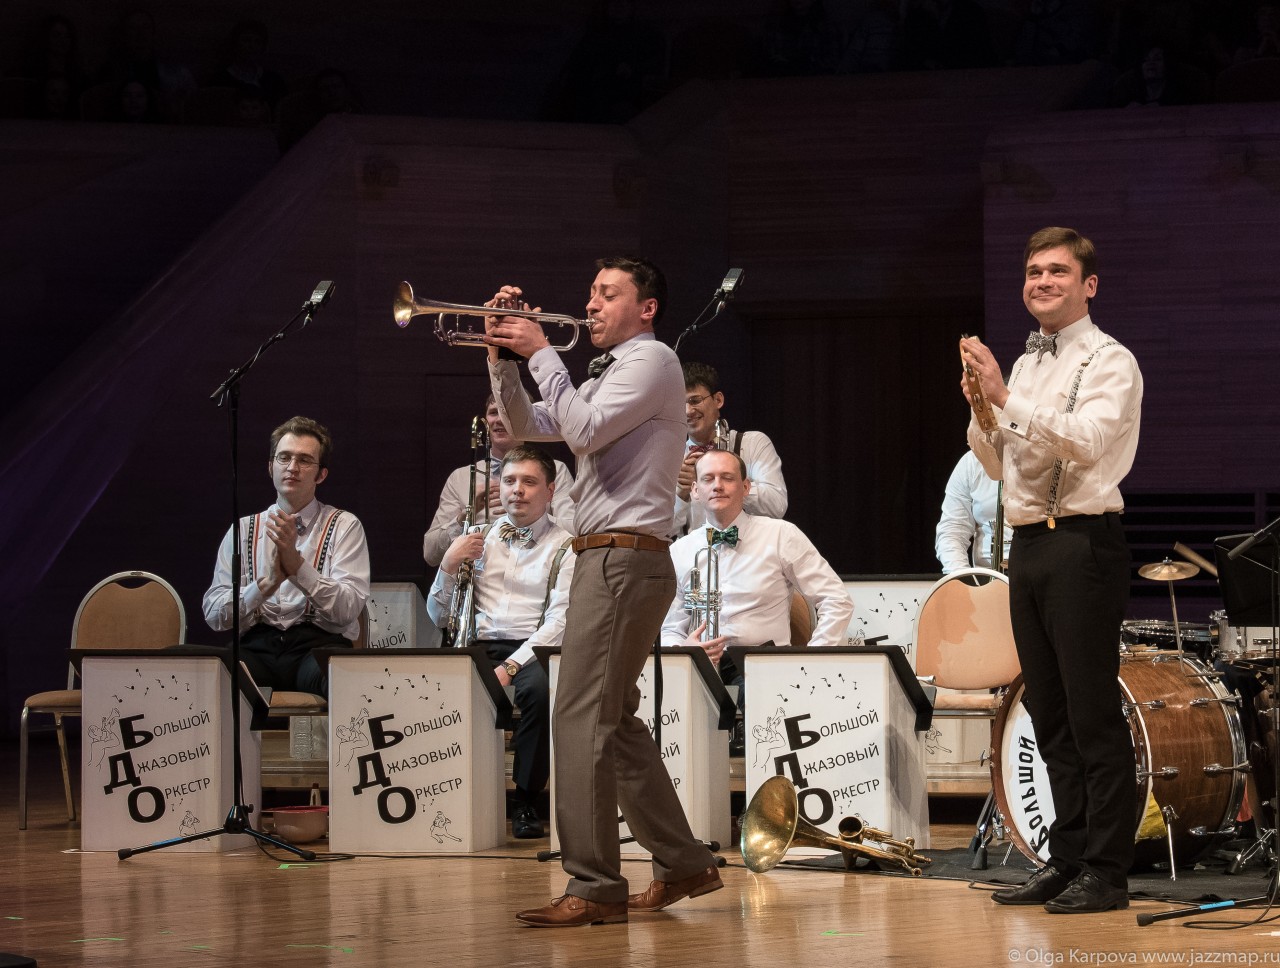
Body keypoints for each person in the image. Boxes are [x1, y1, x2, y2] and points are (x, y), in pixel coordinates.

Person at [485, 255, 722, 928]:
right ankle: (683, 863)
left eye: (607, 293)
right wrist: (504, 355)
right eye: (590, 290)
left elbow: (582, 431)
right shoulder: (610, 373)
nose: (590, 304)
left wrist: (538, 352)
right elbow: (527, 427)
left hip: (622, 559)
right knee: (613, 725)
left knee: (580, 716)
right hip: (607, 559)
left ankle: (593, 884)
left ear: (646, 309)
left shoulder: (652, 362)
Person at [960, 227, 1142, 914]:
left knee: (1092, 713)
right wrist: (982, 411)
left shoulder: (1110, 360)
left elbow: (1089, 443)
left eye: (1058, 272)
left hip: (1083, 544)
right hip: (1030, 545)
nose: (1042, 281)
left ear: (1088, 285)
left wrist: (1003, 398)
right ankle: (1065, 860)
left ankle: (1107, 870)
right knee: (1049, 711)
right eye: (1034, 271)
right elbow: (999, 464)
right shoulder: (1029, 364)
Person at [425, 445, 573, 839]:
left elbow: (560, 621)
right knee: (433, 688)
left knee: (541, 693)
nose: (517, 490)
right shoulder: (474, 537)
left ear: (550, 490)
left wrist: (511, 667)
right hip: (478, 644)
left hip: (535, 647)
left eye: (529, 482)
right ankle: (445, 794)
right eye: (509, 481)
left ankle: (525, 799)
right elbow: (439, 617)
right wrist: (448, 564)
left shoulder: (567, 545)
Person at [662, 449, 852, 705]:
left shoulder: (781, 535)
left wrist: (811, 660)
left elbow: (836, 600)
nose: (717, 486)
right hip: (698, 670)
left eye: (727, 478)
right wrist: (683, 650)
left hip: (765, 670)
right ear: (695, 491)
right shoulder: (679, 550)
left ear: (746, 487)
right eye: (708, 479)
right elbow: (670, 628)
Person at [202, 416, 370, 696]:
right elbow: (214, 615)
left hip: (316, 646)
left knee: (346, 678)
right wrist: (265, 585)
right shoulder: (243, 529)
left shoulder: (344, 525)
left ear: (321, 474)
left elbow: (348, 609)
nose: (292, 468)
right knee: (201, 673)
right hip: (257, 647)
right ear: (270, 467)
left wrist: (298, 568)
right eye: (284, 458)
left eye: (305, 460)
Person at [423, 394, 575, 567]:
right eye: (494, 412)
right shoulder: (460, 478)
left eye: (508, 413)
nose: (499, 420)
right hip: (479, 581)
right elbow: (430, 553)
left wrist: (529, 514)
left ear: (528, 419)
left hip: (536, 574)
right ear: (485, 420)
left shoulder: (556, 470)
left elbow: (573, 532)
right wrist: (467, 514)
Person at [673, 361, 787, 536]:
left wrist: (729, 483)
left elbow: (776, 505)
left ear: (718, 400)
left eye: (695, 400)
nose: (688, 411)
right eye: (680, 404)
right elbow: (660, 531)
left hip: (751, 555)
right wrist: (681, 493)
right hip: (695, 559)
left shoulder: (753, 443)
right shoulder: (671, 458)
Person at [934, 450, 1010, 573]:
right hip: (989, 578)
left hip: (1041, 576)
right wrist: (962, 578)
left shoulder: (1047, 455)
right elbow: (953, 531)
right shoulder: (972, 462)